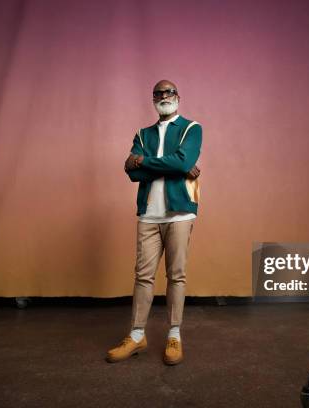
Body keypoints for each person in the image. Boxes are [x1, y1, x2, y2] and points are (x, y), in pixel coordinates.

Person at [106, 80, 202, 365]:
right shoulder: (142, 133)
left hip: (180, 213)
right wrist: (174, 164)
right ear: (153, 100)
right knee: (143, 276)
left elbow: (183, 163)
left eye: (168, 92)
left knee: (177, 275)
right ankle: (137, 336)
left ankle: (174, 335)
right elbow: (133, 174)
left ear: (178, 97)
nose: (163, 96)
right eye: (158, 93)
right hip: (148, 213)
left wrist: (143, 161)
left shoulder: (191, 128)